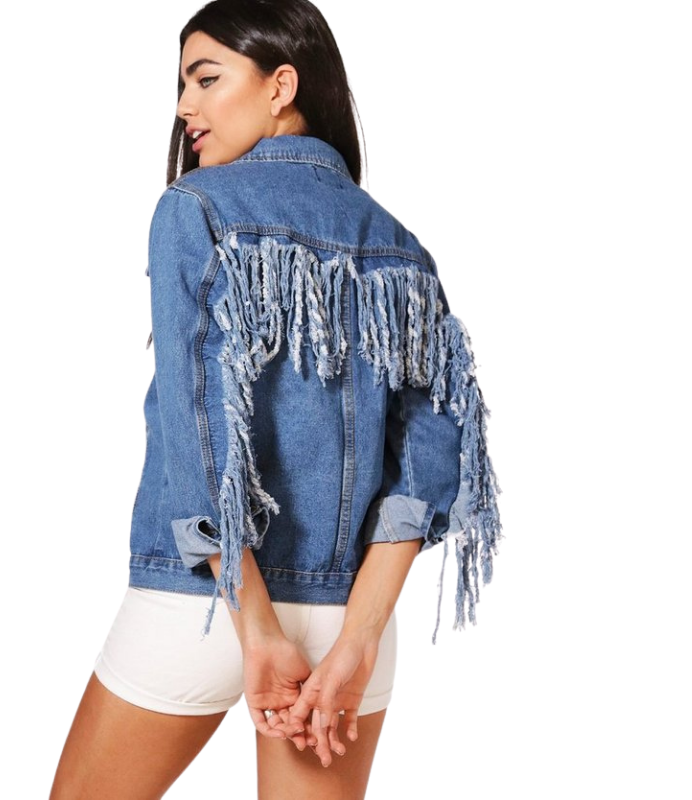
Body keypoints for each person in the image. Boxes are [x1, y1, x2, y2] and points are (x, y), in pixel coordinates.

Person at [50, 0, 501, 797]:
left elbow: (199, 432)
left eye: (206, 79)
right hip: (346, 624)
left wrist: (255, 625)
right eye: (181, 85)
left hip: (204, 601)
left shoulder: (195, 208)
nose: (184, 106)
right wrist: (358, 638)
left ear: (281, 85)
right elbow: (429, 467)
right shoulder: (402, 250)